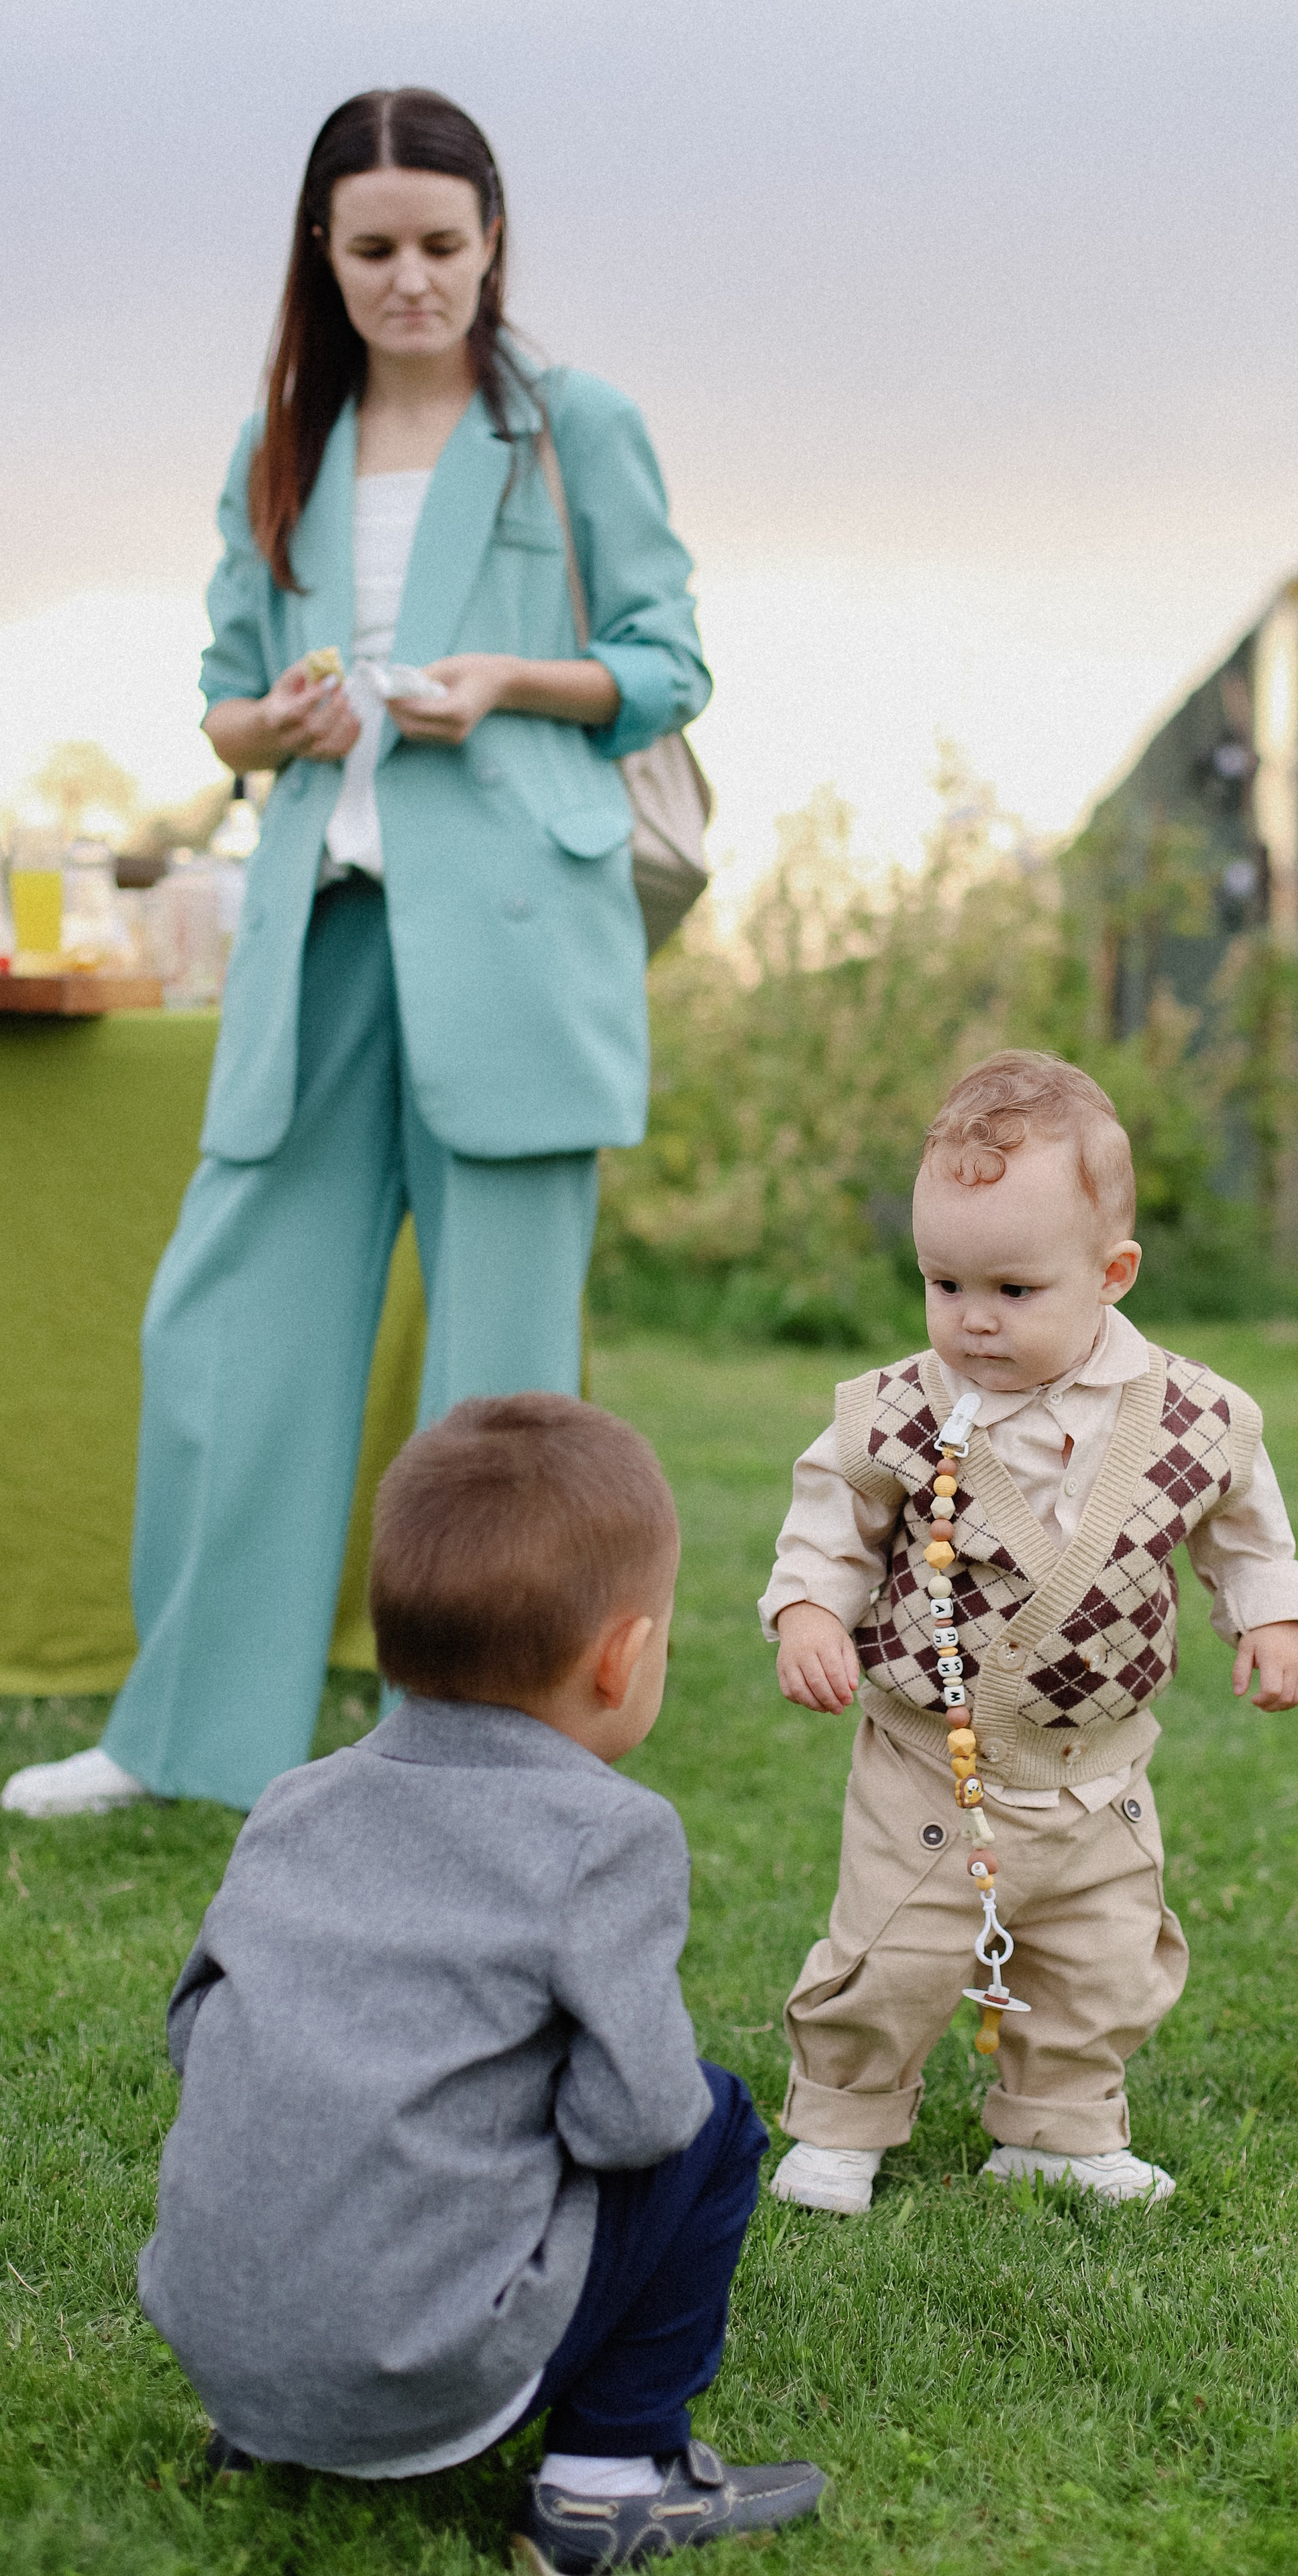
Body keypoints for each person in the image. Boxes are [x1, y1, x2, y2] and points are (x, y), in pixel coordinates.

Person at [5, 89, 709, 1820]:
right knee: (228, 1329)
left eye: (443, 247)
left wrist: (504, 681)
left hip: (525, 936)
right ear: (323, 254)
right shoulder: (280, 445)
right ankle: (188, 1735)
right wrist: (278, 723)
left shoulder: (575, 425)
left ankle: (512, 1752)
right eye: (376, 247)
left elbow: (670, 662)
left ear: (490, 247)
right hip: (321, 926)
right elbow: (224, 710)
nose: (412, 279)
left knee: (505, 1386)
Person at [138, 1394, 825, 2572]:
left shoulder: (296, 1800)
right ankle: (610, 2475)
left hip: (219, 2346)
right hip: (423, 2367)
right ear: (625, 1657)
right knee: (715, 2121)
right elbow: (638, 2118)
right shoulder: (607, 1834)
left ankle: (273, 2422)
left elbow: (199, 2030)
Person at [761, 1051, 1298, 2215]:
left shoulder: (1196, 1417)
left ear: (1111, 1272)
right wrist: (811, 1605)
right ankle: (844, 2119)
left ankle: (1060, 2127)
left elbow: (1247, 1534)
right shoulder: (899, 1410)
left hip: (1094, 1776)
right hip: (933, 1758)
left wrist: (1271, 1616)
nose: (972, 1319)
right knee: (894, 1949)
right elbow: (832, 1518)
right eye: (943, 1282)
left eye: (1014, 1290)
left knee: (1101, 1958)